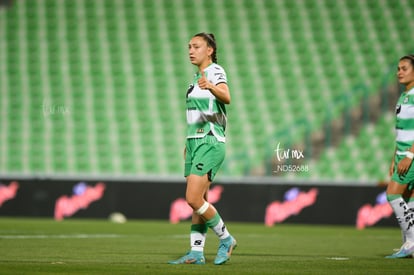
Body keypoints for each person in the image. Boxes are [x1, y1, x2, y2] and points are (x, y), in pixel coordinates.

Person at [168, 32, 237, 265]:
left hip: (209, 139)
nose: (190, 50)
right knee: (201, 199)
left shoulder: (215, 71)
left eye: (196, 46)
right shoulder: (194, 80)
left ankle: (226, 239)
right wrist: (187, 144)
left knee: (193, 198)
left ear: (209, 50)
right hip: (194, 142)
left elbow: (226, 97)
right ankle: (196, 253)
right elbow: (194, 115)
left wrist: (210, 85)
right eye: (189, 46)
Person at [386, 54, 414, 258]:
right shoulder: (404, 96)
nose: (399, 72)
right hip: (402, 154)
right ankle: (408, 245)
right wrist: (394, 158)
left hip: (411, 156)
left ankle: (412, 241)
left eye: (404, 68)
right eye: (398, 68)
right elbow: (401, 131)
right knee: (408, 197)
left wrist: (409, 156)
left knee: (392, 194)